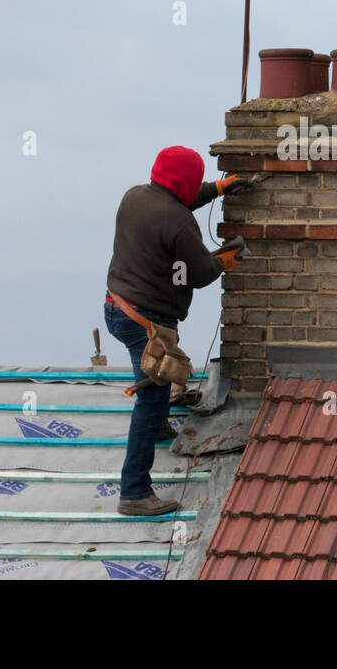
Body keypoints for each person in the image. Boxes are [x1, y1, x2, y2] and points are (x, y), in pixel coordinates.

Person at [104, 146, 247, 516]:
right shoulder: (179, 222)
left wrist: (217, 188)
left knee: (153, 384)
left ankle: (155, 428)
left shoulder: (135, 196)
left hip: (117, 310)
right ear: (183, 181)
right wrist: (225, 260)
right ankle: (134, 492)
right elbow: (199, 272)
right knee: (151, 398)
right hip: (147, 323)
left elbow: (177, 201)